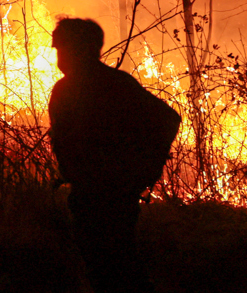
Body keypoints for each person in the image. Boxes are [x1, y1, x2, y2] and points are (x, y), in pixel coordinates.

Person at [49, 17, 181, 293]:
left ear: (80, 49)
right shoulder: (114, 82)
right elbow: (166, 119)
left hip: (105, 192)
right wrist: (145, 171)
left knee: (110, 264)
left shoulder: (76, 89)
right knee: (112, 262)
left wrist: (145, 170)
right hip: (101, 191)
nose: (58, 57)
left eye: (61, 49)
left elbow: (167, 119)